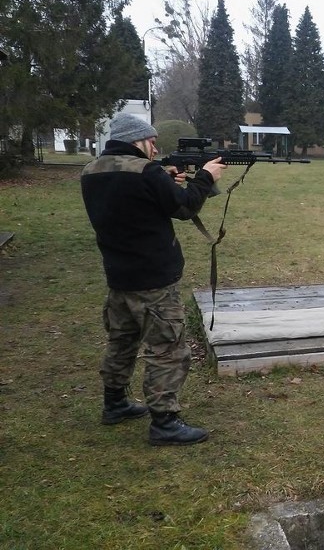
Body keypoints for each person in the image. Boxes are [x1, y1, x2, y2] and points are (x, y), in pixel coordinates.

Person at [81, 112, 226, 446]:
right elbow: (186, 208)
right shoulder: (146, 172)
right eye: (151, 142)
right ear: (138, 140)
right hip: (154, 280)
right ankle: (165, 422)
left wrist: (166, 180)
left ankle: (114, 403)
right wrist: (204, 177)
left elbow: (135, 204)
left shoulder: (91, 171)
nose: (155, 148)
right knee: (168, 349)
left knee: (122, 342)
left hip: (119, 275)